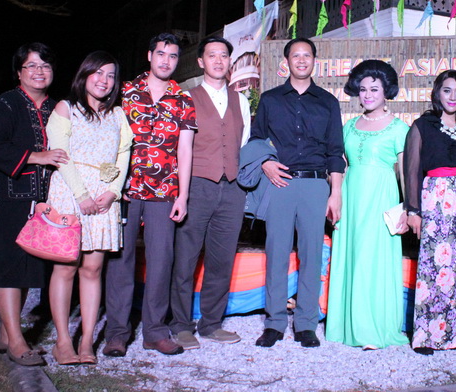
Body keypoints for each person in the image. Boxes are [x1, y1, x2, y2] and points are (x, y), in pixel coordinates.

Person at [103, 33, 196, 357]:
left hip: (164, 191)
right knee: (120, 261)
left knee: (161, 262)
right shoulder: (124, 92)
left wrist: (183, 196)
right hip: (125, 191)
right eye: (161, 54)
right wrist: (109, 184)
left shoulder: (183, 99)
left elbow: (185, 150)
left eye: (172, 56)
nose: (166, 61)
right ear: (149, 55)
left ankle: (155, 331)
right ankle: (117, 333)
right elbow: (107, 137)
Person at [251, 38, 345, 348]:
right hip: (281, 183)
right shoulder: (271, 99)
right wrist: (266, 162)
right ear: (287, 62)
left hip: (316, 184)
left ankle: (306, 323)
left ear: (314, 61)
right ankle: (274, 323)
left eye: (307, 55)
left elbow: (335, 151)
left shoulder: (328, 102)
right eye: (296, 55)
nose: (301, 60)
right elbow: (256, 140)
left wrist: (335, 193)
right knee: (276, 252)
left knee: (312, 254)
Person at [0, 42, 68, 367]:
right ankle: (17, 342)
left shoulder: (59, 107)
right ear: (19, 72)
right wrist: (37, 156)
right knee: (8, 266)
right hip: (7, 196)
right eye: (31, 65)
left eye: (45, 66)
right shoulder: (6, 103)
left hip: (45, 199)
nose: (39, 71)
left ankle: (7, 334)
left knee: (27, 267)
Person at [46, 51, 132, 365]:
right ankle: (62, 342)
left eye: (110, 75)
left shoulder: (118, 115)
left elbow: (122, 156)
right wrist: (81, 194)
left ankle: (86, 342)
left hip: (103, 197)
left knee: (93, 269)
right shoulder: (65, 108)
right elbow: (59, 155)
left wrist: (113, 192)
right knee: (66, 268)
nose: (104, 80)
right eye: (98, 73)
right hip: (70, 193)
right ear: (85, 75)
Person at [170, 36, 250, 349]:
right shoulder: (187, 97)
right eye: (212, 55)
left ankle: (212, 324)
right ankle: (181, 325)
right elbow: (181, 148)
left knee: (222, 260)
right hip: (197, 185)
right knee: (185, 259)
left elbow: (243, 144)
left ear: (230, 62)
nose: (218, 60)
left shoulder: (241, 100)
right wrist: (182, 192)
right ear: (201, 62)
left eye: (224, 55)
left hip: (232, 188)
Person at [325, 60, 409, 349]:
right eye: (363, 89)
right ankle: (345, 326)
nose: (368, 94)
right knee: (351, 257)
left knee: (372, 261)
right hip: (351, 199)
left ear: (387, 92)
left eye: (375, 89)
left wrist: (408, 209)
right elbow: (341, 166)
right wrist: (335, 196)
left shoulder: (400, 128)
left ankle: (373, 330)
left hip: (381, 200)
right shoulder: (349, 127)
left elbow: (405, 173)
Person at [403, 70, 456, 354]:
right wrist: (413, 210)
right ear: (438, 93)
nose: (453, 97)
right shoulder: (423, 125)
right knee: (434, 265)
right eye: (447, 90)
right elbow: (412, 170)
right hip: (434, 201)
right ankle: (428, 336)